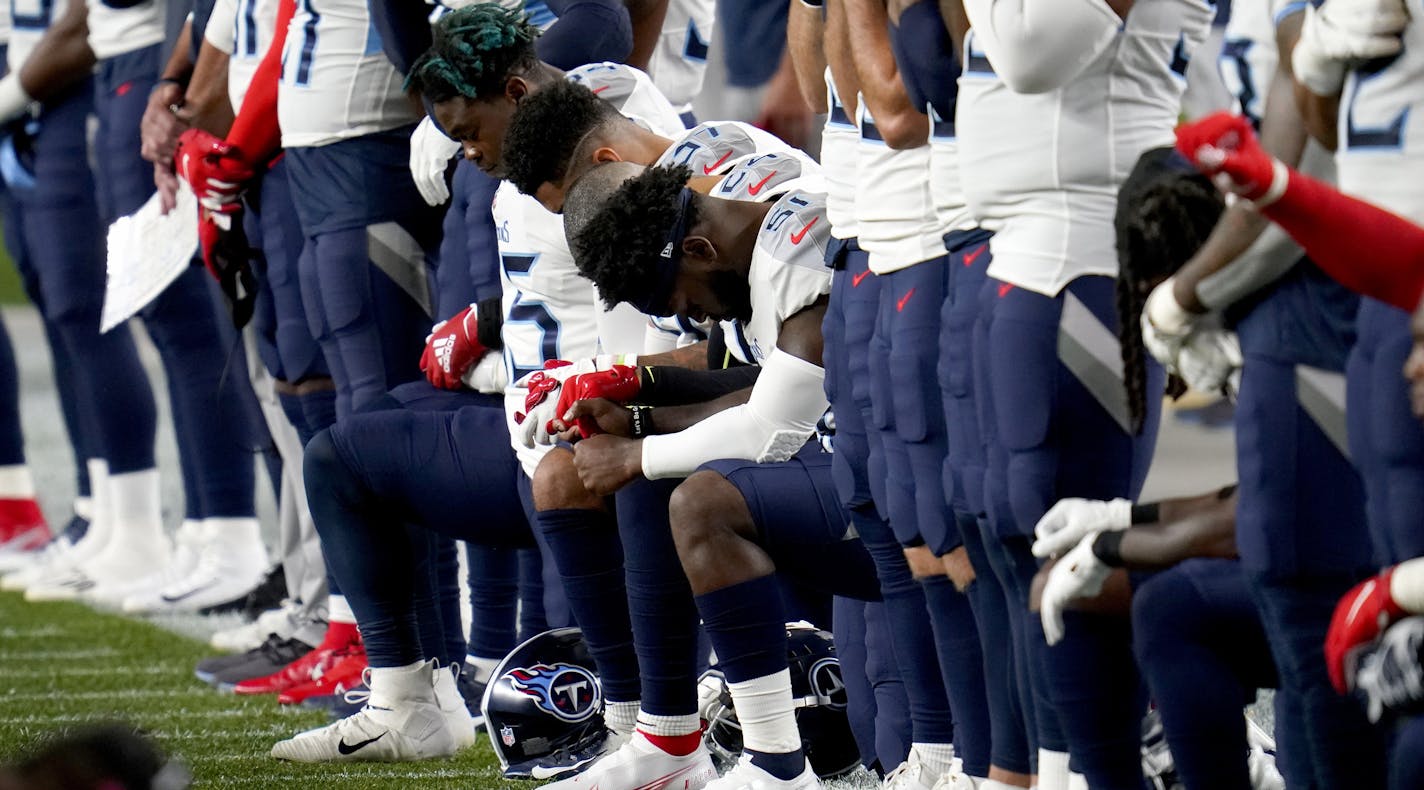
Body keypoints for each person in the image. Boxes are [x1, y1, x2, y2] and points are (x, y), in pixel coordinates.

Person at [554, 162, 887, 790]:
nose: (685, 314)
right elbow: (756, 392)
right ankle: (669, 735)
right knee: (655, 468)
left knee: (704, 502)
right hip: (861, 473)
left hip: (907, 499)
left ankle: (778, 767)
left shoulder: (799, 258)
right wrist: (640, 419)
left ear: (698, 249)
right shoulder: (751, 251)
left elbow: (774, 428)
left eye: (675, 296)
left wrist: (633, 455)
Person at [956, 0, 1214, 786]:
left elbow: (1030, 51)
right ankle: (1045, 768)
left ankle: (1103, 762)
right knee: (1015, 533)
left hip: (1083, 259)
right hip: (1035, 255)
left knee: (1068, 541)